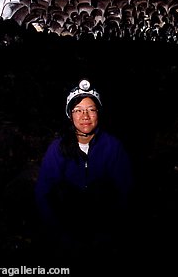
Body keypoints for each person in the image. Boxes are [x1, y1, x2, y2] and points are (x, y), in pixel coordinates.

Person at [34, 78, 134, 258]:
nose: (85, 116)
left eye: (91, 110)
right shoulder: (58, 149)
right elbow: (43, 193)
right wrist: (59, 235)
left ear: (99, 113)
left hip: (104, 230)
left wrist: (110, 234)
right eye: (78, 110)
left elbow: (126, 191)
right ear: (70, 115)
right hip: (67, 231)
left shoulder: (113, 146)